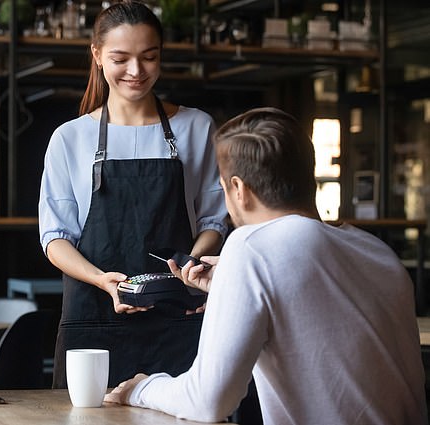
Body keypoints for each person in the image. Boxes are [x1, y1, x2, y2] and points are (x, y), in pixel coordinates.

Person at [104, 107, 428, 424]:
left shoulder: (250, 247)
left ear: (239, 189)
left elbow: (207, 401)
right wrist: (230, 286)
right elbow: (325, 317)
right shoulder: (378, 251)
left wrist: (141, 388)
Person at [38, 0, 228, 388]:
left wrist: (187, 267)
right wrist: (102, 281)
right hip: (94, 319)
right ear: (97, 55)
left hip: (179, 316)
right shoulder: (70, 138)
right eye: (121, 58)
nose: (136, 71)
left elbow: (213, 220)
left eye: (149, 57)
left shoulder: (196, 127)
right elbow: (55, 238)